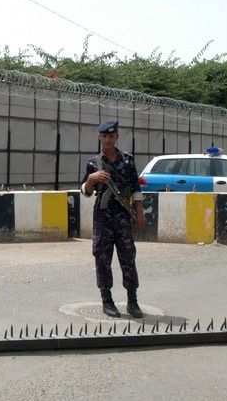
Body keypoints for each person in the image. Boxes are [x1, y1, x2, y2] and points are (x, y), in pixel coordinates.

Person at [81, 121, 147, 318]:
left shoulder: (127, 160)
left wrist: (140, 211)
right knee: (102, 257)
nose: (108, 139)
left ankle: (132, 300)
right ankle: (107, 300)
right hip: (102, 217)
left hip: (123, 215)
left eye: (111, 136)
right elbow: (86, 192)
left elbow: (136, 187)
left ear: (116, 137)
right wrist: (91, 179)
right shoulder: (94, 163)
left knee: (128, 257)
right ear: (100, 138)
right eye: (104, 136)